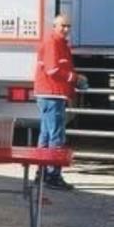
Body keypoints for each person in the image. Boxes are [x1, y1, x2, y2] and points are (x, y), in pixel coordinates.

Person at [33, 14, 83, 190]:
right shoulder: (53, 43)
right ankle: (52, 176)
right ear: (54, 26)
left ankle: (42, 174)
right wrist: (75, 78)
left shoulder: (60, 43)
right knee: (56, 136)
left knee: (47, 135)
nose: (66, 29)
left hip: (52, 94)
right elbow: (53, 69)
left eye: (68, 26)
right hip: (51, 94)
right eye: (63, 26)